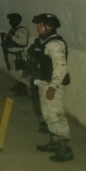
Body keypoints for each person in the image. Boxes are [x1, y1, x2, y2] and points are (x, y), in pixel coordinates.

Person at [29, 14, 73, 162]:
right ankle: (54, 143)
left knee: (55, 115)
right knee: (48, 114)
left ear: (49, 26)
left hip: (52, 85)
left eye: (40, 24)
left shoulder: (55, 44)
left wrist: (53, 87)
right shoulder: (44, 42)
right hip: (43, 82)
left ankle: (64, 150)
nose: (37, 27)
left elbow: (60, 67)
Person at [3, 13, 29, 96]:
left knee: (19, 72)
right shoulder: (13, 29)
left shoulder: (21, 30)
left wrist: (12, 37)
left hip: (18, 55)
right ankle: (18, 85)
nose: (10, 21)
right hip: (11, 54)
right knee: (13, 71)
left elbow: (23, 43)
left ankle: (24, 89)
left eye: (11, 20)